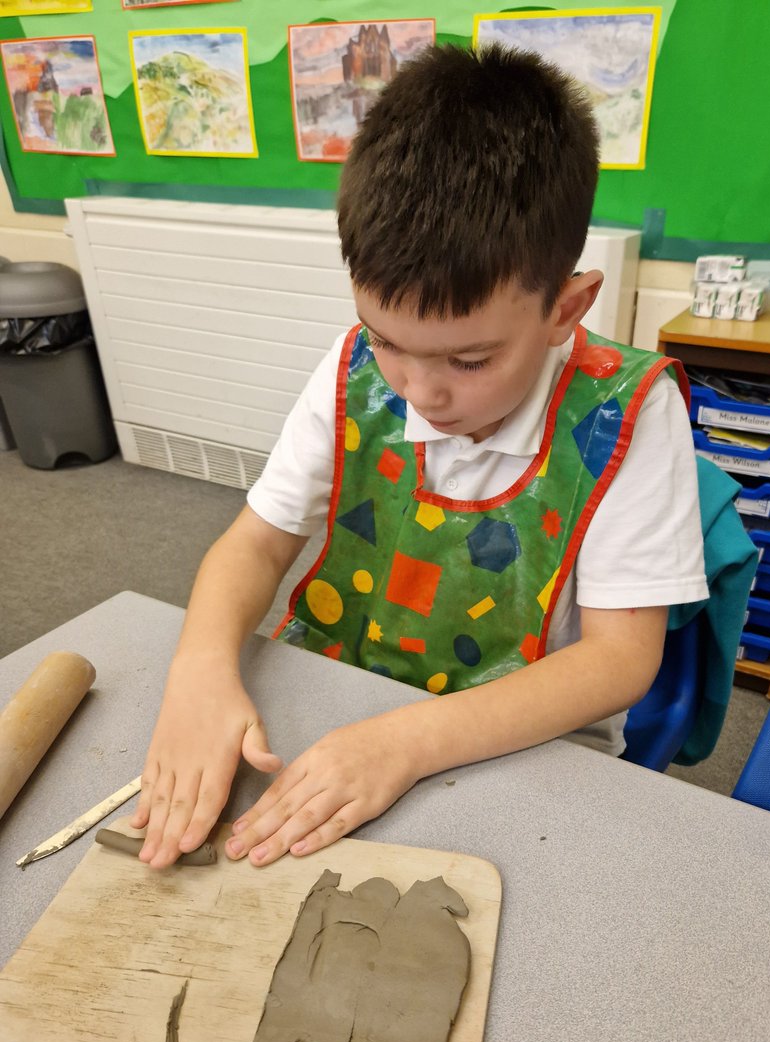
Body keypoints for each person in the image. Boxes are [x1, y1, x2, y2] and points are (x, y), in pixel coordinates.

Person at [133, 43, 707, 870]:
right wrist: (199, 671)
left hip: (520, 745)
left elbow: (619, 662)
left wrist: (404, 744)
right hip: (347, 705)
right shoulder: (355, 370)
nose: (418, 391)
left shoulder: (632, 413)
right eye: (386, 341)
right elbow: (254, 544)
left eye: (468, 360)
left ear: (566, 308)